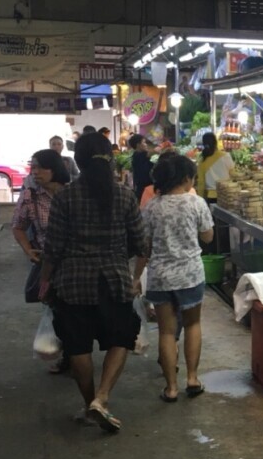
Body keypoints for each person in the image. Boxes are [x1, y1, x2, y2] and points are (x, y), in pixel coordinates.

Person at [40, 132, 149, 433]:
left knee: (78, 347)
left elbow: (53, 247)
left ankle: (90, 403)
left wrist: (45, 280)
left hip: (72, 282)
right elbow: (141, 243)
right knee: (120, 338)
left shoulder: (65, 197)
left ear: (78, 161)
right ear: (111, 159)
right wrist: (129, 268)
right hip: (113, 280)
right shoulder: (125, 195)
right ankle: (102, 399)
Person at [134, 154, 214, 402]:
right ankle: (192, 378)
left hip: (160, 277)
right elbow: (208, 237)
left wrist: (136, 277)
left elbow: (144, 248)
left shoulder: (151, 207)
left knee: (166, 332)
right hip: (190, 274)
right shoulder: (196, 203)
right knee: (192, 325)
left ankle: (171, 388)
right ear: (186, 178)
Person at [12, 148, 72, 374]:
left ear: (54, 169)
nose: (34, 172)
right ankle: (69, 355)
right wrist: (28, 250)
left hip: (75, 261)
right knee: (58, 310)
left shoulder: (72, 192)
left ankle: (75, 353)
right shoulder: (30, 196)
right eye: (32, 167)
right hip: (48, 263)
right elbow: (18, 226)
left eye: (39, 167)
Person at [196, 132, 234, 201]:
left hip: (211, 196)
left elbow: (201, 182)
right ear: (215, 142)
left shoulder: (202, 161)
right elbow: (233, 173)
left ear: (204, 144)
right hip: (227, 194)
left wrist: (200, 198)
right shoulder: (226, 156)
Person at [128, 134, 153, 198]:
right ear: (138, 145)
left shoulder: (140, 155)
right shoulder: (138, 156)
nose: (146, 145)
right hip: (143, 189)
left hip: (145, 188)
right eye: (144, 142)